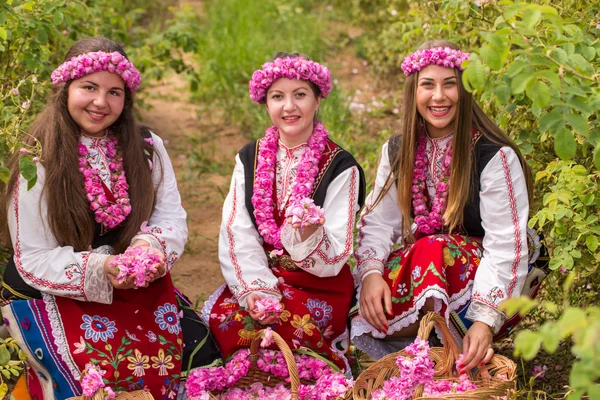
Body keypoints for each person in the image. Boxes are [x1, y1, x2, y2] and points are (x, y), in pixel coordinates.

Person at [0, 37, 220, 400]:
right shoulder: (36, 156)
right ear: (65, 88)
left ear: (126, 98)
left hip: (131, 280)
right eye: (89, 87)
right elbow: (34, 256)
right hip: (55, 284)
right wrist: (102, 269)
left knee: (194, 351)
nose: (101, 102)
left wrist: (148, 248)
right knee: (96, 372)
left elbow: (170, 215)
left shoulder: (147, 146)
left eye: (114, 92)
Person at [350, 40, 535, 373]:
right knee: (356, 298)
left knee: (434, 248)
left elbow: (507, 244)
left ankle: (459, 340)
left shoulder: (492, 154)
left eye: (450, 84)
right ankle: (428, 351)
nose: (439, 96)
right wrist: (372, 274)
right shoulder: (398, 149)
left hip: (487, 273)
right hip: (429, 263)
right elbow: (378, 222)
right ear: (413, 91)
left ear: (464, 90)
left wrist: (484, 320)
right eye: (428, 85)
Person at [202, 52, 365, 372]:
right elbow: (237, 229)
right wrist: (256, 291)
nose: (289, 107)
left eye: (300, 95)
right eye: (278, 96)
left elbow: (336, 254)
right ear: (266, 103)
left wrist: (306, 233)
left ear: (318, 100)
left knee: (292, 331)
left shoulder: (341, 166)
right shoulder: (249, 157)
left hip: (318, 282)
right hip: (258, 271)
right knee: (234, 323)